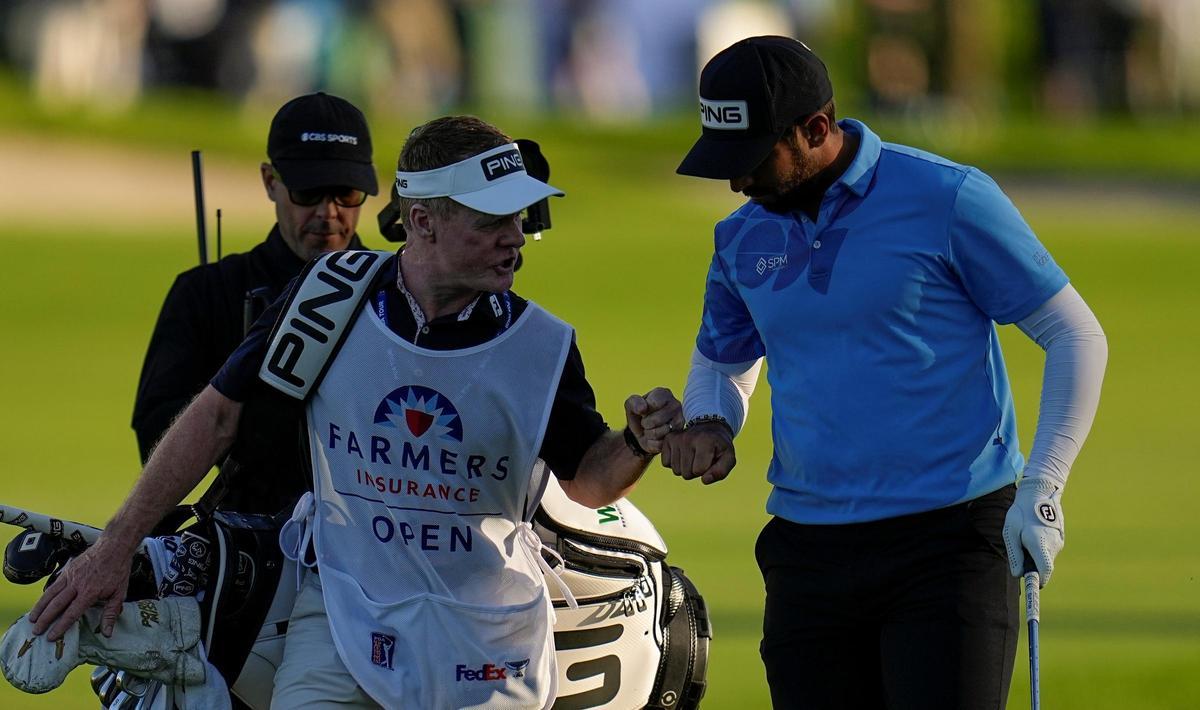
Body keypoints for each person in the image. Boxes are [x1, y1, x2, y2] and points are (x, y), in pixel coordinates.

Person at [30, 114, 682, 709]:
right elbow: (216, 418)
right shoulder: (327, 296)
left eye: (519, 217)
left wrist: (638, 442)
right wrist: (116, 548)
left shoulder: (543, 344)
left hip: (488, 638)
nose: (515, 237)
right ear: (423, 222)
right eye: (490, 221)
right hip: (341, 620)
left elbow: (589, 479)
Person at [664, 36, 1107, 709]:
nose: (736, 181)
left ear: (816, 130)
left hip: (948, 545)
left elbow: (1075, 334)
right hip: (806, 554)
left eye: (752, 158)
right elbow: (722, 360)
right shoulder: (741, 235)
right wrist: (710, 421)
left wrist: (1043, 487)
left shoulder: (945, 196)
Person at [132, 91, 376, 463]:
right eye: (308, 191)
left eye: (346, 193)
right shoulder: (206, 292)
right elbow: (156, 426)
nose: (328, 212)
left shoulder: (396, 292)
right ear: (269, 181)